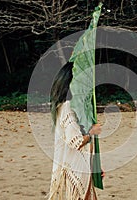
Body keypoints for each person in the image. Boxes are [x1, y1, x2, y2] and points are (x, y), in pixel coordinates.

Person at [48, 62, 101, 200]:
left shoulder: (69, 107)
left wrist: (95, 167)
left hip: (79, 167)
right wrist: (92, 133)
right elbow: (76, 142)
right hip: (75, 170)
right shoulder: (67, 107)